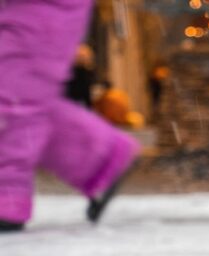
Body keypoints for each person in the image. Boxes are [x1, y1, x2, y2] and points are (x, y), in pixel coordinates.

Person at [0, 0, 138, 232]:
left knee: (17, 99)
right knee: (22, 96)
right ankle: (98, 156)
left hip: (39, 12)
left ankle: (8, 196)